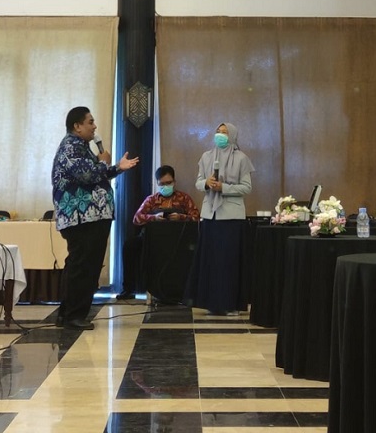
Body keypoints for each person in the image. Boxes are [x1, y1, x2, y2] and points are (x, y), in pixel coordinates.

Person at [51, 105, 139, 329]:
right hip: (82, 217)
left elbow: (95, 173)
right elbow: (87, 174)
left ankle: (68, 313)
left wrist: (117, 167)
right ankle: (74, 315)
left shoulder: (82, 147)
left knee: (81, 264)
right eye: (90, 122)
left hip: (91, 217)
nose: (95, 126)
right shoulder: (71, 147)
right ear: (77, 126)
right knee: (83, 266)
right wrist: (104, 162)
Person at [184, 122, 254, 315]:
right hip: (210, 215)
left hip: (231, 217)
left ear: (232, 136)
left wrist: (224, 187)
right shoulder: (206, 156)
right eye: (218, 132)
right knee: (211, 261)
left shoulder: (241, 158)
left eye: (224, 132)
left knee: (228, 261)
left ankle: (229, 303)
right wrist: (207, 183)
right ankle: (211, 302)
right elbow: (198, 182)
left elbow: (246, 187)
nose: (220, 135)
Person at [117, 164, 200, 300]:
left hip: (177, 240)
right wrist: (154, 217)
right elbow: (136, 218)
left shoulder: (184, 198)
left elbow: (196, 217)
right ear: (157, 183)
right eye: (162, 184)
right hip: (153, 239)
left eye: (168, 183)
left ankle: (187, 289)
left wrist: (181, 217)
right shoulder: (151, 200)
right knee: (130, 245)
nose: (165, 186)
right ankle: (128, 289)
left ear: (174, 182)